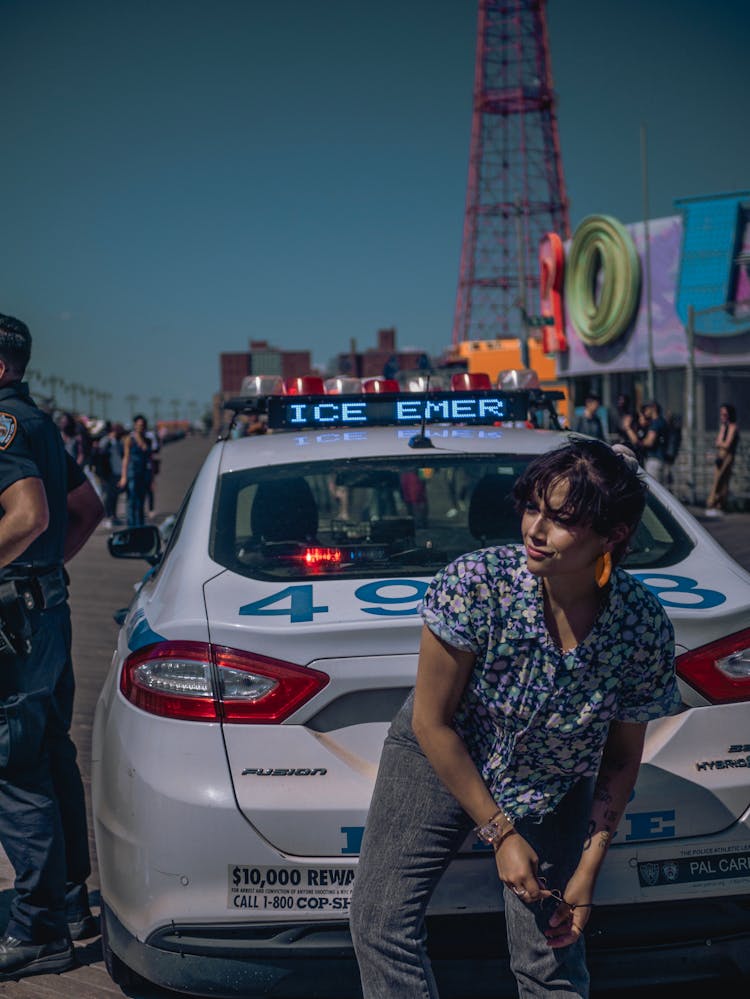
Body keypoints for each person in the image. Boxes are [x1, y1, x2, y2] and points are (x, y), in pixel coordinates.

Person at [350, 437, 679, 999]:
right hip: (443, 752)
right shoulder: (476, 584)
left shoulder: (641, 626)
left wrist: (586, 872)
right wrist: (501, 834)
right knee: (380, 921)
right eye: (533, 508)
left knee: (551, 954)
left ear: (613, 536)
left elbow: (623, 758)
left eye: (562, 519)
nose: (535, 530)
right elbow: (432, 722)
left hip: (550, 782)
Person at [0, 314, 103, 980]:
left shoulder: (3, 424)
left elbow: (32, 514)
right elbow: (87, 507)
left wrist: (22, 572)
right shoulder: (36, 421)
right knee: (49, 753)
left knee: (15, 765)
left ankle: (37, 928)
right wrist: (43, 575)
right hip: (45, 613)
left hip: (15, 624)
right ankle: (68, 906)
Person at [705, 403, 740, 517]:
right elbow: (718, 442)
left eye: (725, 414)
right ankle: (713, 503)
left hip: (728, 456)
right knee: (716, 479)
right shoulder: (724, 427)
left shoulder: (733, 427)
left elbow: (727, 444)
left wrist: (721, 444)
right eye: (721, 414)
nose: (723, 416)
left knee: (722, 480)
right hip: (720, 455)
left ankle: (719, 504)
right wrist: (721, 443)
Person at [119, 413, 153, 527]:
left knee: (141, 501)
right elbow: (126, 457)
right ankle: (131, 526)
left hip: (143, 473)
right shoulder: (130, 439)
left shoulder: (148, 440)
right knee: (132, 501)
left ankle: (140, 525)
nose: (141, 427)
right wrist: (124, 476)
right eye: (138, 425)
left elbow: (150, 459)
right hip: (132, 472)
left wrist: (152, 477)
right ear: (135, 425)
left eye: (143, 425)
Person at [623, 400, 667, 481]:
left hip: (654, 460)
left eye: (646, 409)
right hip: (660, 459)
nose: (645, 412)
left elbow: (649, 442)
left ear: (653, 408)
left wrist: (638, 441)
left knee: (653, 488)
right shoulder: (662, 421)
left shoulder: (655, 423)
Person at [94, 422, 125, 527]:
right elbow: (100, 459)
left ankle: (113, 516)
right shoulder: (106, 442)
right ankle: (107, 516)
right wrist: (102, 474)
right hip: (108, 473)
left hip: (117, 472)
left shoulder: (119, 442)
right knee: (107, 496)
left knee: (115, 496)